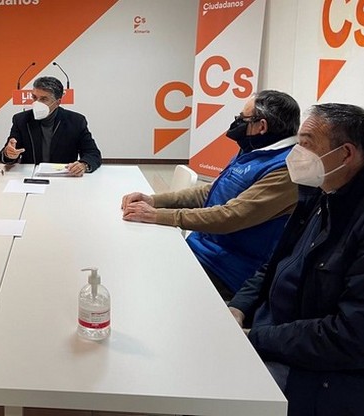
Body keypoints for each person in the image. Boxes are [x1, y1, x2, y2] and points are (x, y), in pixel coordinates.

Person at [228, 103, 364, 415]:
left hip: (315, 373)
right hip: (273, 335)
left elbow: (355, 338)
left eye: (306, 144)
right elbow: (276, 262)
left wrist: (256, 338)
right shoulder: (323, 192)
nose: (295, 154)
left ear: (346, 154)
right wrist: (239, 306)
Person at [121, 90, 300, 299]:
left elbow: (231, 216)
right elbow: (211, 191)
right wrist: (154, 200)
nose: (237, 123)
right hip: (201, 248)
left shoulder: (285, 170)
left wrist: (158, 216)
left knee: (146, 285)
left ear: (261, 126)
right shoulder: (253, 151)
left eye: (242, 118)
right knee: (135, 257)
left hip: (225, 269)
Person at [0, 76, 102, 176]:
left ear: (57, 102)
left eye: (44, 99)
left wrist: (84, 165)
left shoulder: (76, 121)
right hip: (31, 176)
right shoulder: (21, 120)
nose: (37, 103)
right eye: (34, 97)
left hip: (64, 176)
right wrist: (8, 154)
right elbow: (9, 151)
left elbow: (93, 153)